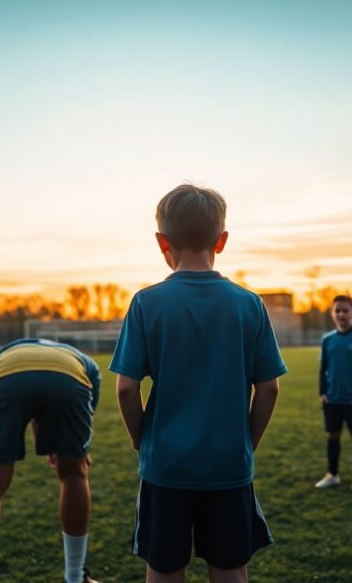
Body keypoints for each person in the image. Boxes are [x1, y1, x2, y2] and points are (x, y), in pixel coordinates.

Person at [111, 184, 286, 583]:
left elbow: (125, 388)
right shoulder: (249, 303)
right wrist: (246, 440)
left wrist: (142, 440)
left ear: (161, 242)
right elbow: (270, 387)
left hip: (166, 465)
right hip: (228, 463)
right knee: (229, 567)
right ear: (221, 241)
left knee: (165, 566)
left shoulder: (146, 303)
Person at [0, 338, 102, 583]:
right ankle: (75, 576)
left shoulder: (3, 352)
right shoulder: (87, 364)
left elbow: (28, 402)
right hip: (69, 380)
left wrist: (48, 440)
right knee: (75, 474)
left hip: (7, 374)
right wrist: (70, 452)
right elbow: (76, 417)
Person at [314, 295, 352, 492]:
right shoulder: (327, 340)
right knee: (332, 436)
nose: (341, 314)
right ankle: (332, 475)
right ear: (332, 313)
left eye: (345, 310)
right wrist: (323, 393)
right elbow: (323, 369)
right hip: (332, 399)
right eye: (337, 310)